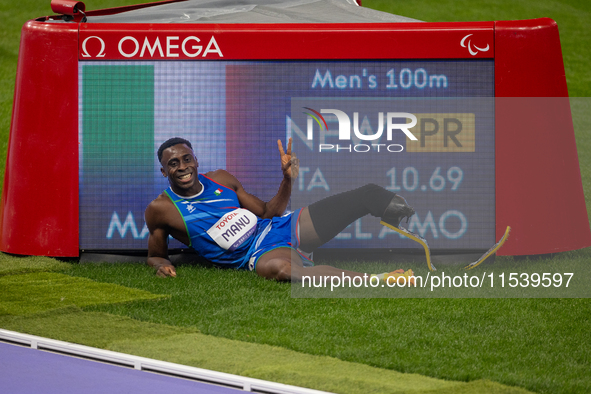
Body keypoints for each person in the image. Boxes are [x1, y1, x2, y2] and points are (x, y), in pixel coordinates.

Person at [145, 137, 417, 283]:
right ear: (163, 171)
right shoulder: (161, 209)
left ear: (195, 159)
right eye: (173, 163)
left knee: (366, 194)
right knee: (284, 271)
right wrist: (162, 266)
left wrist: (287, 179)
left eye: (186, 159)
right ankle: (381, 279)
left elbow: (267, 212)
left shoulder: (220, 178)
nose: (182, 167)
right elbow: (156, 256)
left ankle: (416, 239)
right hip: (257, 252)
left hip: (280, 227)